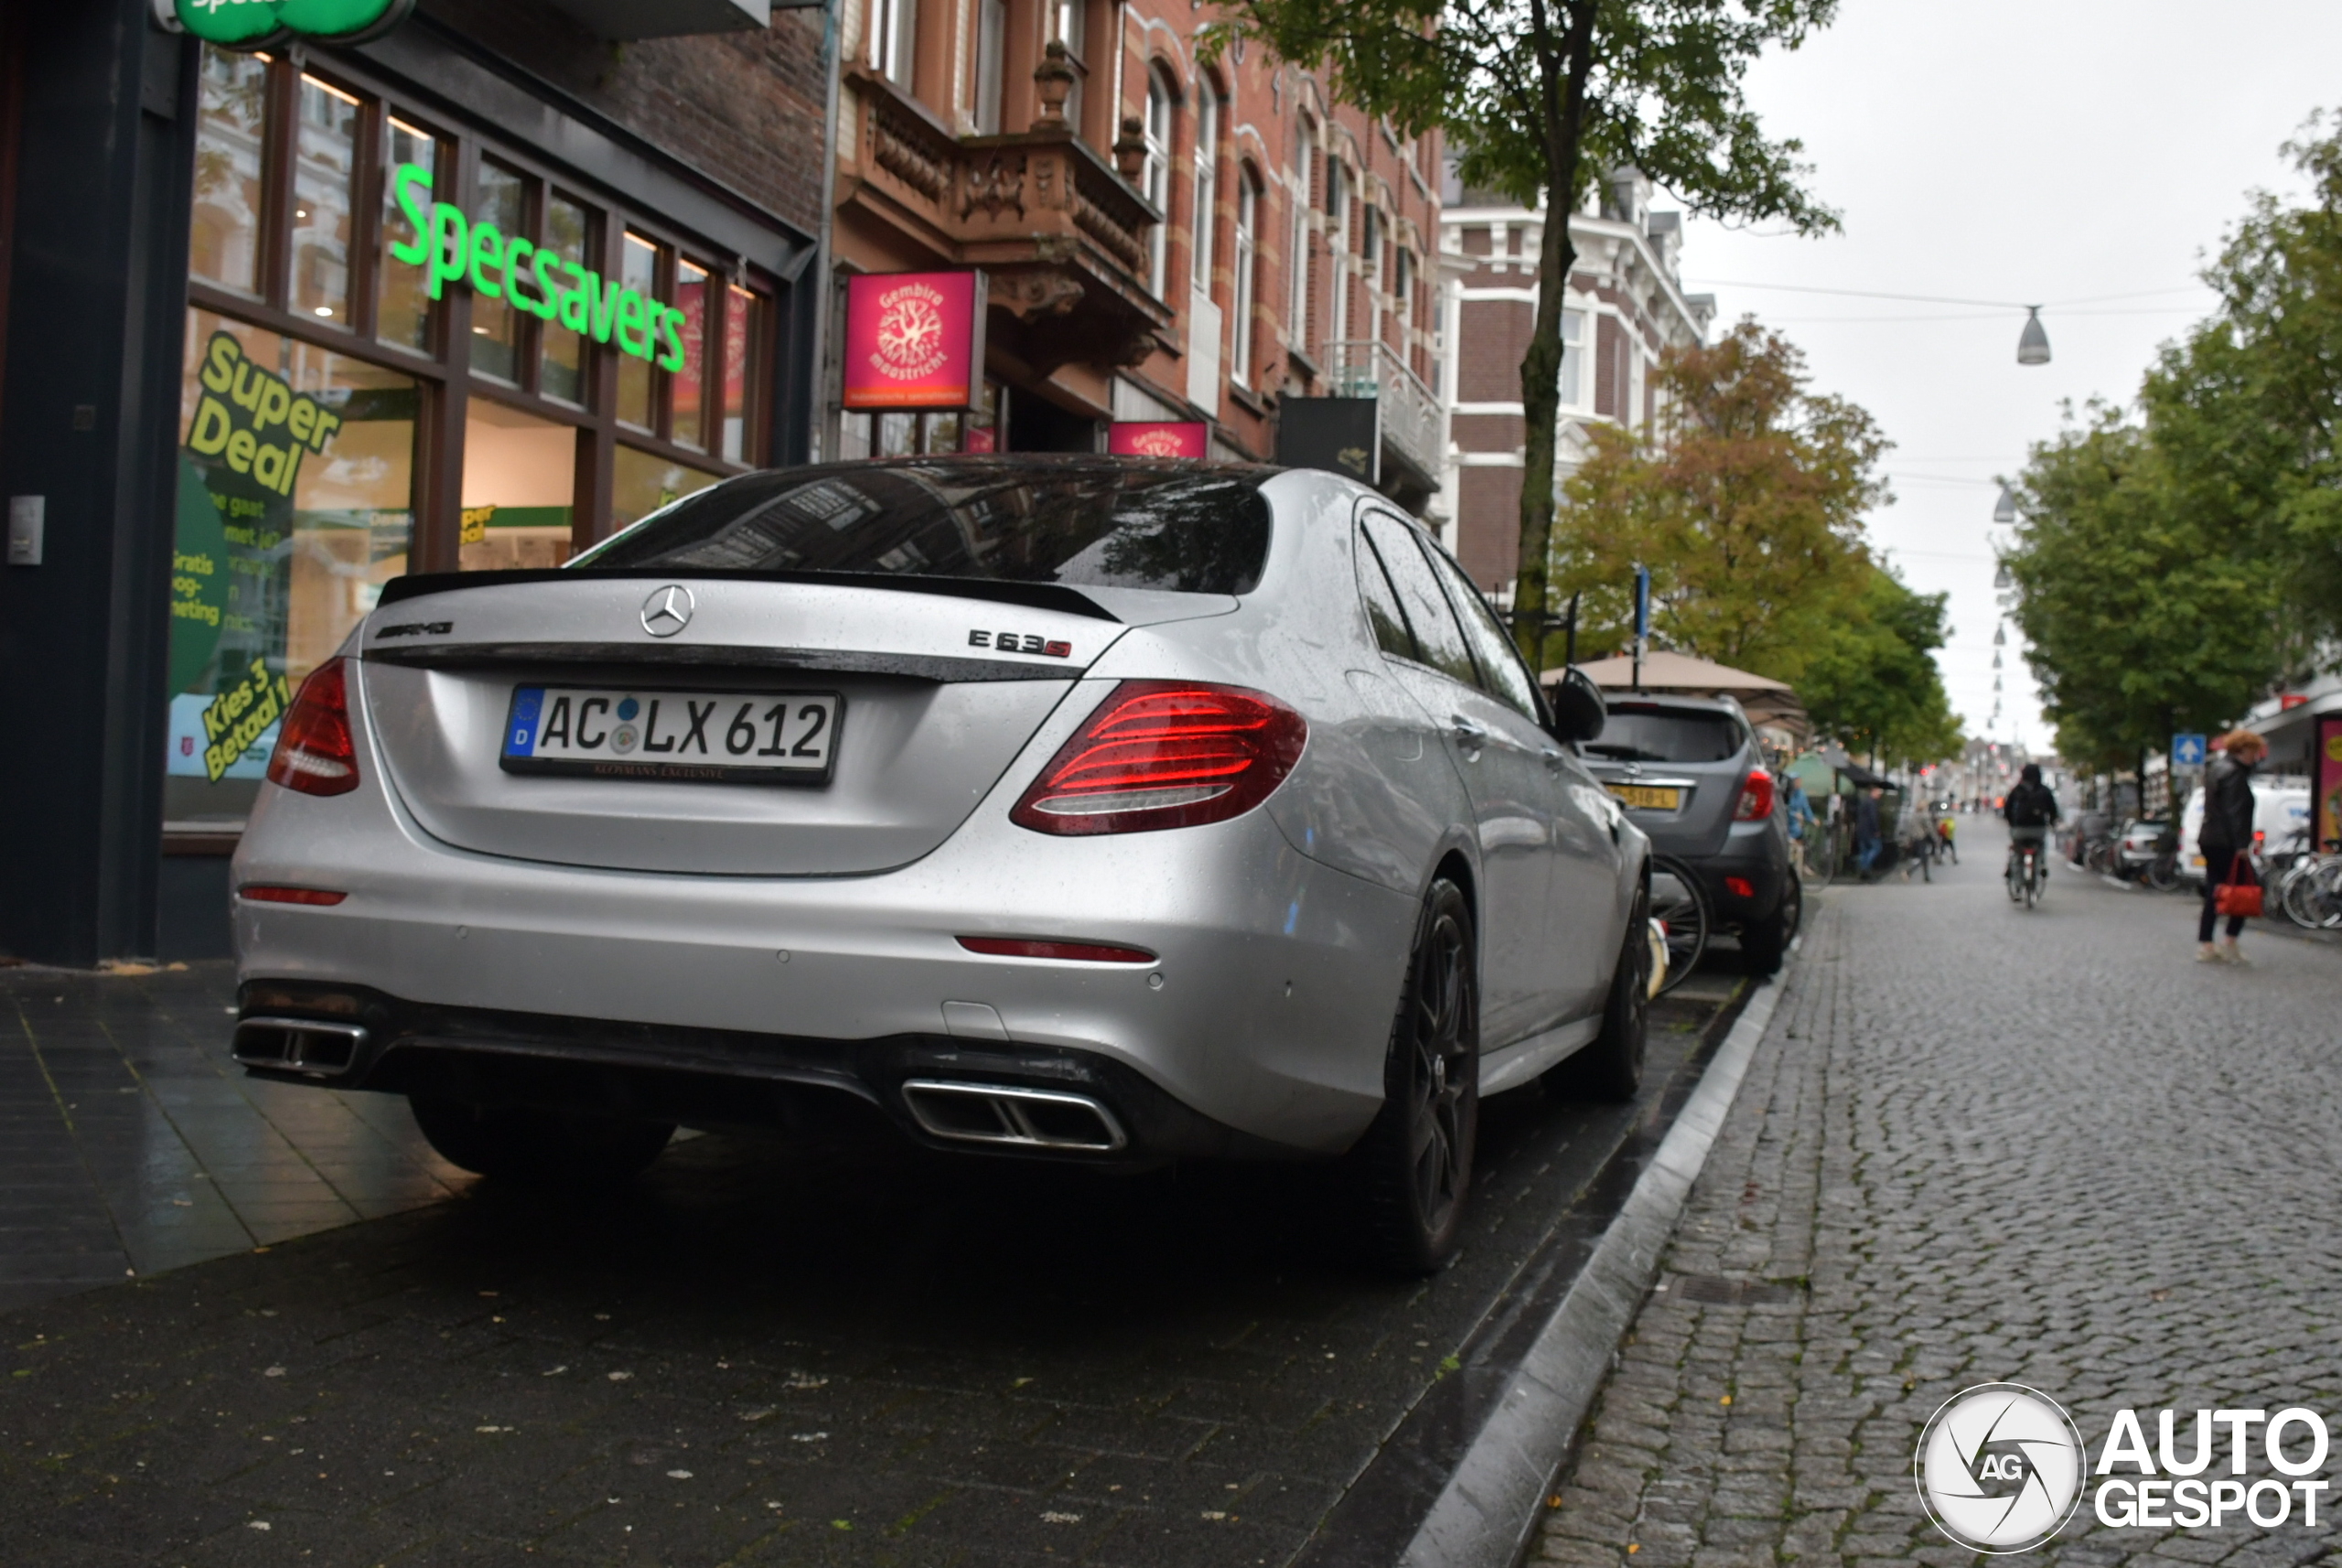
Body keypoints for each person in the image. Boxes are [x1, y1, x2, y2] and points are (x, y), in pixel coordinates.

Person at [2196, 728, 2267, 964]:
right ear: (2244, 750)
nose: (2256, 756)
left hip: (2210, 839)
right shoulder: (2235, 774)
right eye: (2254, 751)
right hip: (2227, 842)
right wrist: (2241, 846)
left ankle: (2207, 943)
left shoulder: (2217, 770)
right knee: (2248, 887)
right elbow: (2235, 812)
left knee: (2215, 890)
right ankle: (2230, 940)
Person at [2002, 764, 2060, 888]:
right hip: (2038, 829)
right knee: (2041, 847)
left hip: (2019, 830)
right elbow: (2053, 810)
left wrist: (2012, 823)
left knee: (2018, 854)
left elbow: (2007, 809)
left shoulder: (2017, 790)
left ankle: (2017, 885)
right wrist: (2051, 822)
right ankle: (2041, 865)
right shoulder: (2045, 791)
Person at [1853, 786, 1883, 878]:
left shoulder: (1864, 801)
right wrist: (1877, 830)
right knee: (1877, 848)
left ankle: (1864, 869)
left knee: (1864, 851)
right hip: (1870, 831)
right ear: (1873, 792)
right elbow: (1873, 817)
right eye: (1878, 793)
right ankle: (1865, 866)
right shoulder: (1872, 803)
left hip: (1861, 830)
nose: (1879, 795)